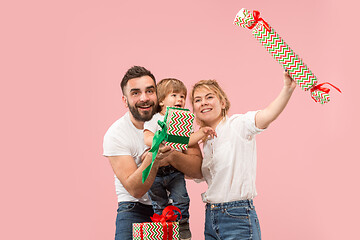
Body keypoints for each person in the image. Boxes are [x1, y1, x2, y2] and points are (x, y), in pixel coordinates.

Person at [190, 70, 296, 240]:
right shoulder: (204, 140)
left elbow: (267, 115)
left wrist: (287, 89)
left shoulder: (237, 125)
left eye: (209, 97)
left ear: (223, 103)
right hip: (211, 216)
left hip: (237, 215)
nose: (203, 103)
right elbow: (192, 173)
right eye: (197, 100)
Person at [103, 66, 203, 240]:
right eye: (135, 93)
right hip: (134, 208)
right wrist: (154, 157)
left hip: (171, 210)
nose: (144, 98)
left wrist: (170, 155)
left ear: (158, 96)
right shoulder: (116, 134)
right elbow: (135, 189)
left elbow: (197, 170)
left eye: (150, 91)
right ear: (125, 100)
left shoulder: (177, 119)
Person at [143, 78, 216, 240]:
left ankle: (182, 223)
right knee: (159, 202)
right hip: (155, 172)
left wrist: (202, 131)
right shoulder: (155, 119)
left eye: (182, 96)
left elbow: (188, 141)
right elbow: (146, 137)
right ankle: (161, 227)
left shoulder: (183, 120)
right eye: (174, 95)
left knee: (182, 198)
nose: (180, 100)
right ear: (161, 101)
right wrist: (158, 140)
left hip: (175, 172)